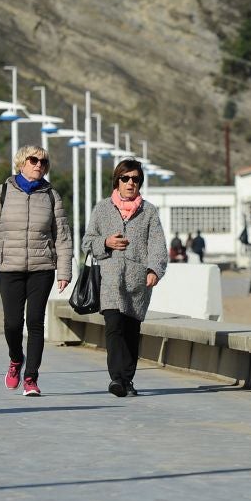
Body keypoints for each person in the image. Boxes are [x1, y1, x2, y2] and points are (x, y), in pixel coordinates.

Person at [0, 145, 70, 397]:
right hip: (10, 267)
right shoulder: (2, 192)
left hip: (42, 268)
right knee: (13, 323)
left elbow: (62, 236)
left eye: (44, 162)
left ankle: (31, 378)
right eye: (33, 160)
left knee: (36, 322)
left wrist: (64, 271)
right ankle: (16, 359)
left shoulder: (52, 196)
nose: (39, 164)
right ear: (21, 163)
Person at [83, 159, 168, 397]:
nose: (131, 183)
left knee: (131, 331)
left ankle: (127, 379)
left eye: (135, 179)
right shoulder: (102, 209)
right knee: (114, 328)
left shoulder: (149, 211)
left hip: (137, 284)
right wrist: (106, 243)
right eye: (125, 178)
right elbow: (87, 242)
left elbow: (158, 246)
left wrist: (154, 270)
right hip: (109, 281)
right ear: (117, 181)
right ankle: (117, 379)